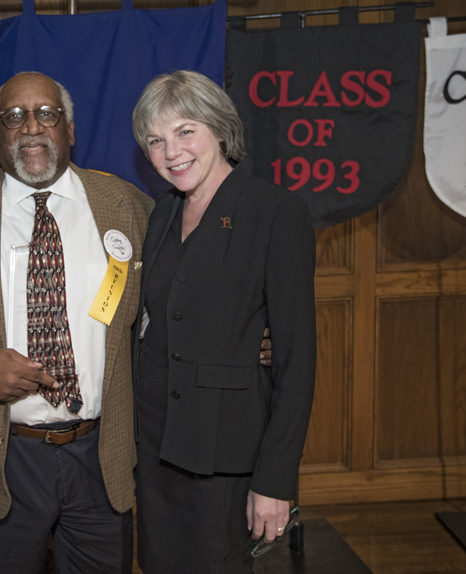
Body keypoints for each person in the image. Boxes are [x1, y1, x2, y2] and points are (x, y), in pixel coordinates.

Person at [0, 71, 153, 574]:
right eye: (14, 117)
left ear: (69, 129)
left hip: (101, 453)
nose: (31, 128)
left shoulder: (128, 207)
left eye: (47, 114)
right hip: (1, 456)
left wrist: (246, 336)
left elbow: (166, 312)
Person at [130, 70, 316, 573]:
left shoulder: (276, 212)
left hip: (225, 459)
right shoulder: (162, 215)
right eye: (155, 140)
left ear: (219, 130)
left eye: (185, 131)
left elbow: (297, 361)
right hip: (156, 450)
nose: (172, 152)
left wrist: (275, 481)